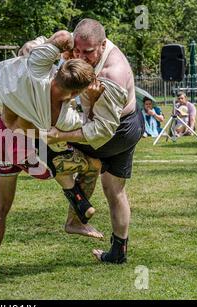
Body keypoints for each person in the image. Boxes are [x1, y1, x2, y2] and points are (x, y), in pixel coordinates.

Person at [0, 31, 108, 276]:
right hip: (31, 147)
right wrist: (91, 97)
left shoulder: (38, 68)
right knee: (90, 164)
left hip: (2, 136)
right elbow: (89, 127)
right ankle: (75, 212)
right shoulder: (64, 116)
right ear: (76, 92)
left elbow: (60, 36)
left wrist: (49, 45)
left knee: (0, 204)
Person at [49, 19, 145, 264]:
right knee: (114, 191)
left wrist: (62, 136)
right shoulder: (80, 47)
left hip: (118, 131)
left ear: (103, 45)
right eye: (77, 50)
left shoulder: (112, 74)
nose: (81, 56)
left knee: (44, 145)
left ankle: (81, 192)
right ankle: (118, 253)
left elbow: (101, 129)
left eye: (88, 52)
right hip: (124, 125)